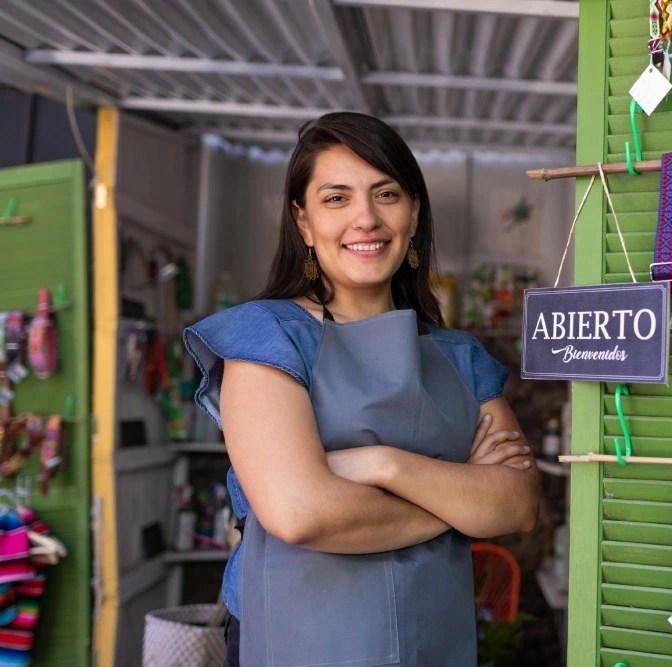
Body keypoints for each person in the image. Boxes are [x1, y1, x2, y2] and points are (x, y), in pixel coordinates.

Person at [184, 112, 540, 666]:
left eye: (386, 194)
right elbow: (300, 512)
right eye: (336, 198)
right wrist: (462, 499)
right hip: (300, 641)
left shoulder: (460, 357)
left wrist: (381, 464)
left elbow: (516, 505)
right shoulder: (266, 338)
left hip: (432, 639)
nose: (366, 218)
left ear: (414, 211)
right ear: (303, 222)